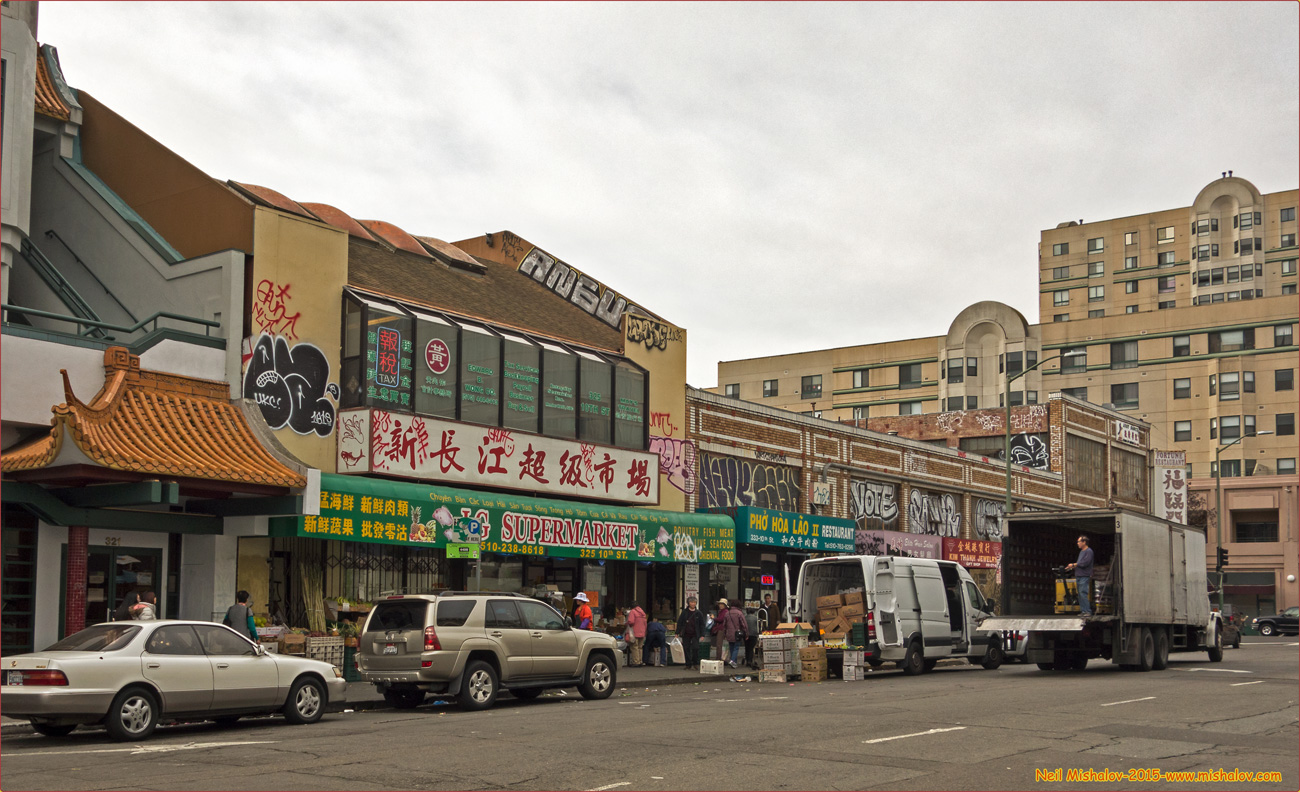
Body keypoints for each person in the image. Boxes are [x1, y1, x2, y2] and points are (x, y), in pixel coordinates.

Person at [1066, 535, 1094, 616]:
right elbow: (1080, 564)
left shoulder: (1089, 551)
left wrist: (1074, 564)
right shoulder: (1081, 552)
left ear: (1084, 542)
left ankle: (1087, 611)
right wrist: (1072, 566)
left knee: (1083, 593)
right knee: (1080, 594)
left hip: (1084, 576)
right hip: (1079, 575)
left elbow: (1085, 563)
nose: (1077, 543)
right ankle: (1083, 611)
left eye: (1079, 541)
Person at [675, 597, 707, 669]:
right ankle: (688, 664)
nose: (693, 604)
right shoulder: (684, 612)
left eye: (694, 602)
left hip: (695, 633)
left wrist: (702, 634)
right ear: (688, 603)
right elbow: (680, 622)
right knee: (686, 648)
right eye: (691, 602)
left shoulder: (699, 613)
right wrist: (677, 632)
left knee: (695, 648)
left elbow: (702, 624)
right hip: (686, 633)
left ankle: (695, 662)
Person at [716, 598, 748, 668]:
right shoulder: (739, 613)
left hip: (729, 633)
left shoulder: (727, 613)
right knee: (736, 647)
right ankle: (732, 660)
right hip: (737, 633)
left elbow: (724, 624)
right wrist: (746, 633)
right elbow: (744, 624)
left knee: (731, 647)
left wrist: (725, 633)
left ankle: (734, 663)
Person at [626, 602, 648, 666]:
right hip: (642, 632)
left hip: (635, 632)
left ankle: (636, 662)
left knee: (634, 647)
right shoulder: (643, 613)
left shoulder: (633, 612)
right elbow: (645, 623)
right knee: (640, 647)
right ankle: (640, 661)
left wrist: (627, 623)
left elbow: (631, 621)